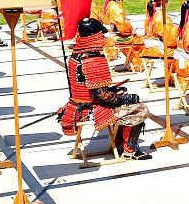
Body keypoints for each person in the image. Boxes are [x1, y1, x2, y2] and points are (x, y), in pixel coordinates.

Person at [57, 18, 151, 160]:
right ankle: (129, 149)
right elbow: (103, 96)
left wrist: (116, 92)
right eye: (101, 35)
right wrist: (125, 98)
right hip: (93, 107)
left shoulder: (75, 55)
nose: (103, 38)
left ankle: (121, 142)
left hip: (78, 103)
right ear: (94, 37)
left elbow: (91, 87)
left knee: (125, 96)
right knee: (140, 109)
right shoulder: (93, 60)